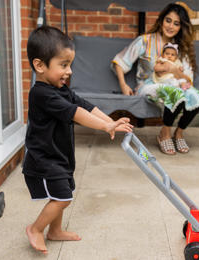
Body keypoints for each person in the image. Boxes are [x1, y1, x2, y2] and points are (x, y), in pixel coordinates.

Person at [23, 26, 133, 255]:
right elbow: (76, 114)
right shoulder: (41, 94)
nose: (69, 71)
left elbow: (85, 106)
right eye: (63, 65)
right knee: (63, 198)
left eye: (70, 65)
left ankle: (54, 231)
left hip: (60, 156)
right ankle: (35, 229)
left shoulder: (60, 89)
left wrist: (110, 123)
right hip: (43, 160)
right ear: (40, 65)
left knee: (61, 193)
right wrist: (105, 126)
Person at [112, 3, 199, 155]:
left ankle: (179, 133)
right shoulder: (145, 41)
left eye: (176, 23)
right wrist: (123, 84)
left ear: (181, 27)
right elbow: (120, 61)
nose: (171, 26)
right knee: (174, 93)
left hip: (176, 85)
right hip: (147, 86)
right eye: (168, 20)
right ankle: (165, 133)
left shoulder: (181, 49)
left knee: (196, 95)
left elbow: (188, 80)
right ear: (161, 20)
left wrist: (174, 70)